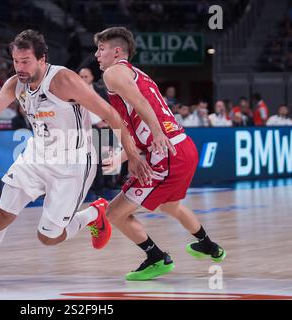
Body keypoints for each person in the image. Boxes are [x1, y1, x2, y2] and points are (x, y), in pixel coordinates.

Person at [0, 29, 151, 283]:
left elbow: (110, 114)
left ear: (42, 59)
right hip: (36, 156)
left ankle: (95, 214)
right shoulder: (15, 83)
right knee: (2, 213)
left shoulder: (64, 80)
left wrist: (131, 154)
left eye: (25, 61)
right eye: (16, 61)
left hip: (71, 163)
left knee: (49, 236)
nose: (20, 67)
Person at [94, 27, 225, 281]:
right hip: (183, 146)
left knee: (113, 213)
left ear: (117, 51)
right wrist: (124, 156)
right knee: (170, 206)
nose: (97, 55)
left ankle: (156, 257)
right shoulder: (139, 74)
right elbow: (141, 119)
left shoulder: (113, 73)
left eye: (101, 49)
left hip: (165, 152)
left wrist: (157, 134)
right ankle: (208, 245)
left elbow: (142, 106)